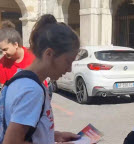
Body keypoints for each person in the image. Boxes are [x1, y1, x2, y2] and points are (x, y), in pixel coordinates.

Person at [3, 14, 80, 144]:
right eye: (68, 61)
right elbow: (11, 142)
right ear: (49, 54)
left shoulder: (23, 79)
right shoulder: (31, 90)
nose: (69, 69)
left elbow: (26, 133)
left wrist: (53, 135)